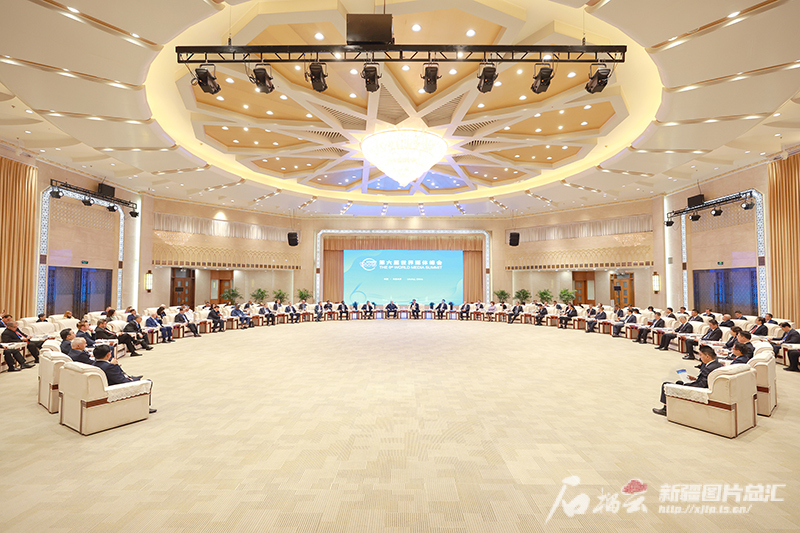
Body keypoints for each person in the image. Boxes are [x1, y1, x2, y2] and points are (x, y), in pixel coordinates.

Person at [653, 345, 723, 416]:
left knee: (665, 384)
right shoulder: (718, 365)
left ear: (707, 356)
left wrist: (686, 385)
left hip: (701, 390)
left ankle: (665, 409)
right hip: (708, 387)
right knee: (679, 382)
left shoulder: (708, 368)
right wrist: (695, 379)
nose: (700, 358)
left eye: (701, 355)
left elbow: (701, 385)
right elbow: (706, 380)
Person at [93, 344, 156, 414]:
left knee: (135, 378)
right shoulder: (110, 367)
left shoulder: (94, 364)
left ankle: (133, 378)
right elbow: (123, 381)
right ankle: (146, 407)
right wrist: (116, 366)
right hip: (115, 387)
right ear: (108, 354)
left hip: (106, 385)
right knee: (148, 382)